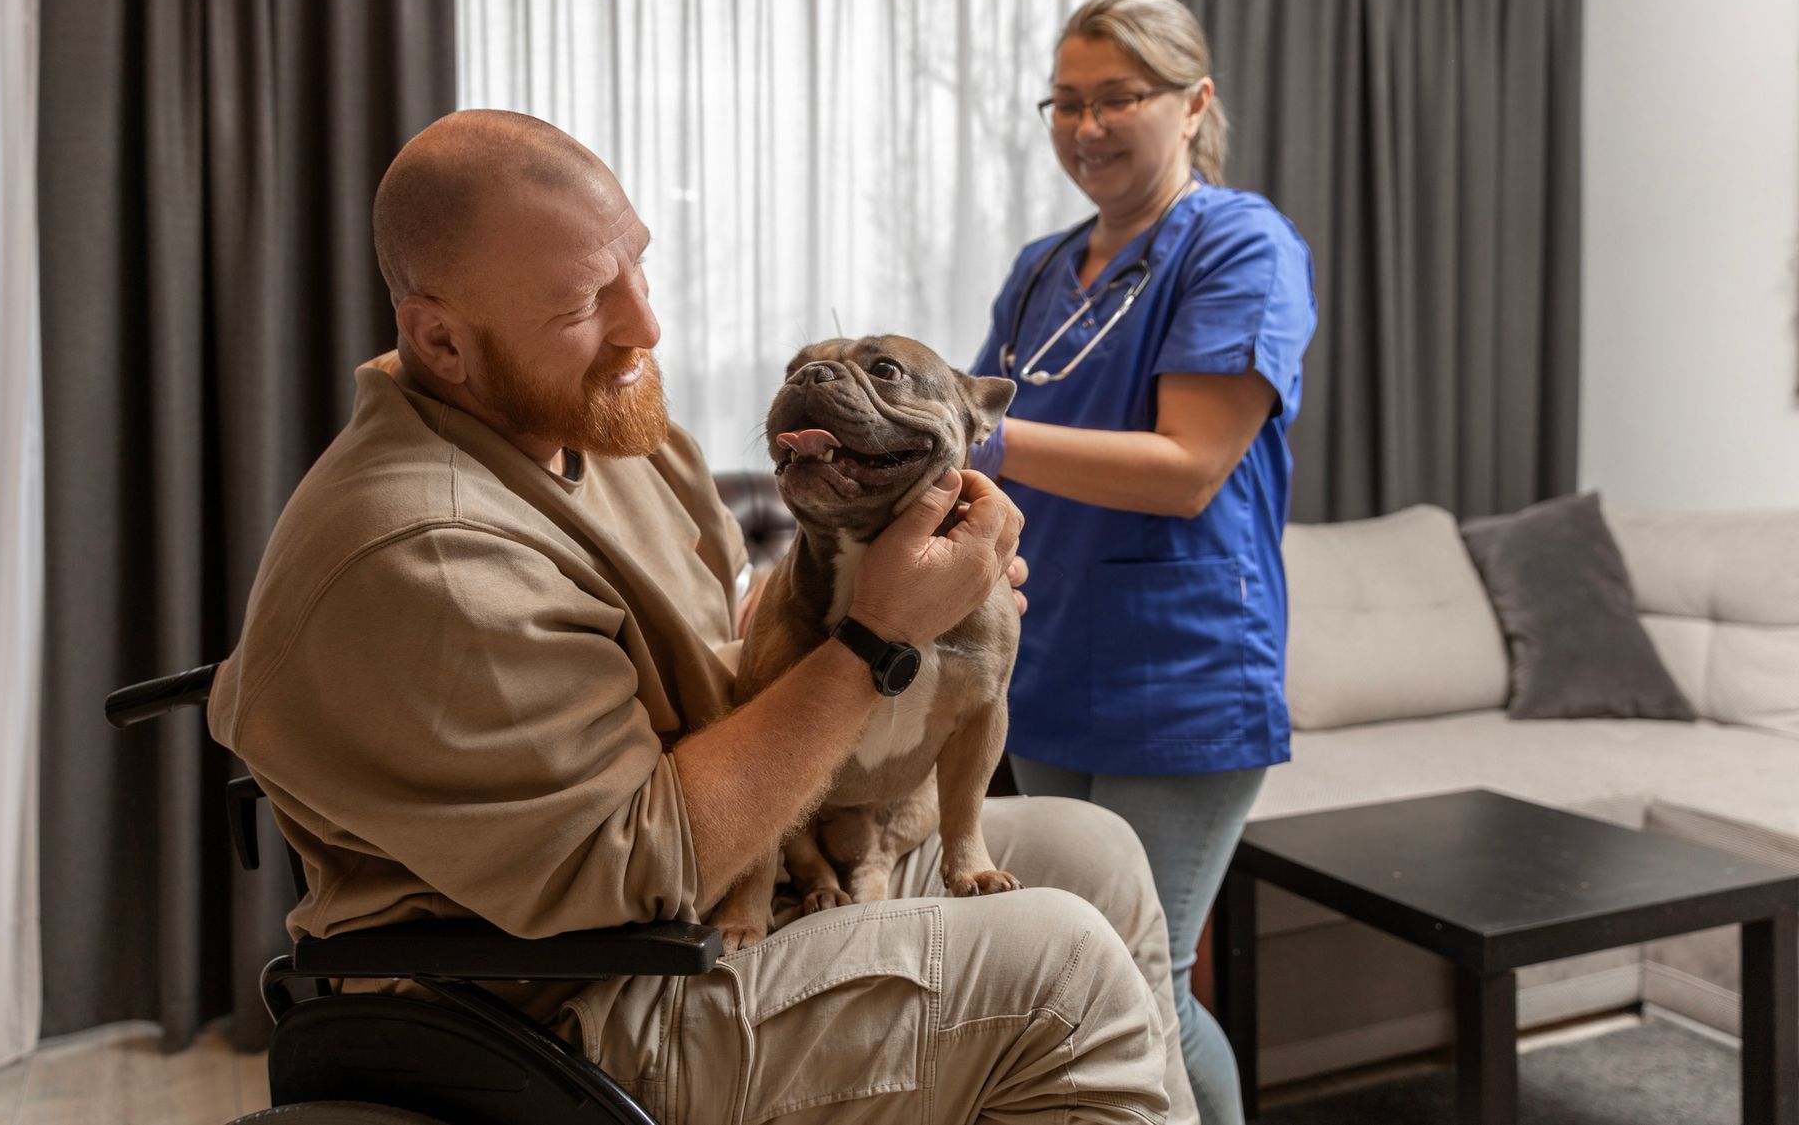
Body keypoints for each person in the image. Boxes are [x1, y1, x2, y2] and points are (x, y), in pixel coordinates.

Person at [209, 108, 1204, 1123]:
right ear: (440, 338)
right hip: (575, 999)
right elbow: (641, 864)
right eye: (586, 302)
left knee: (1099, 853)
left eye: (637, 266)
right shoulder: (431, 552)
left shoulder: (598, 429)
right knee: (1063, 969)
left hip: (730, 871)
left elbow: (712, 652)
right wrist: (877, 637)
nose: (644, 325)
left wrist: (926, 595)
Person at [968, 0, 1318, 1125]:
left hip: (1183, 666)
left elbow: (1187, 467)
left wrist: (982, 438)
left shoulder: (1239, 244)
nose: (1087, 126)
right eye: (1065, 102)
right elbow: (976, 430)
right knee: (1078, 972)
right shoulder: (1040, 265)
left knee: (1143, 976)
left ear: (1194, 102)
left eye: (1119, 97)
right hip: (1047, 656)